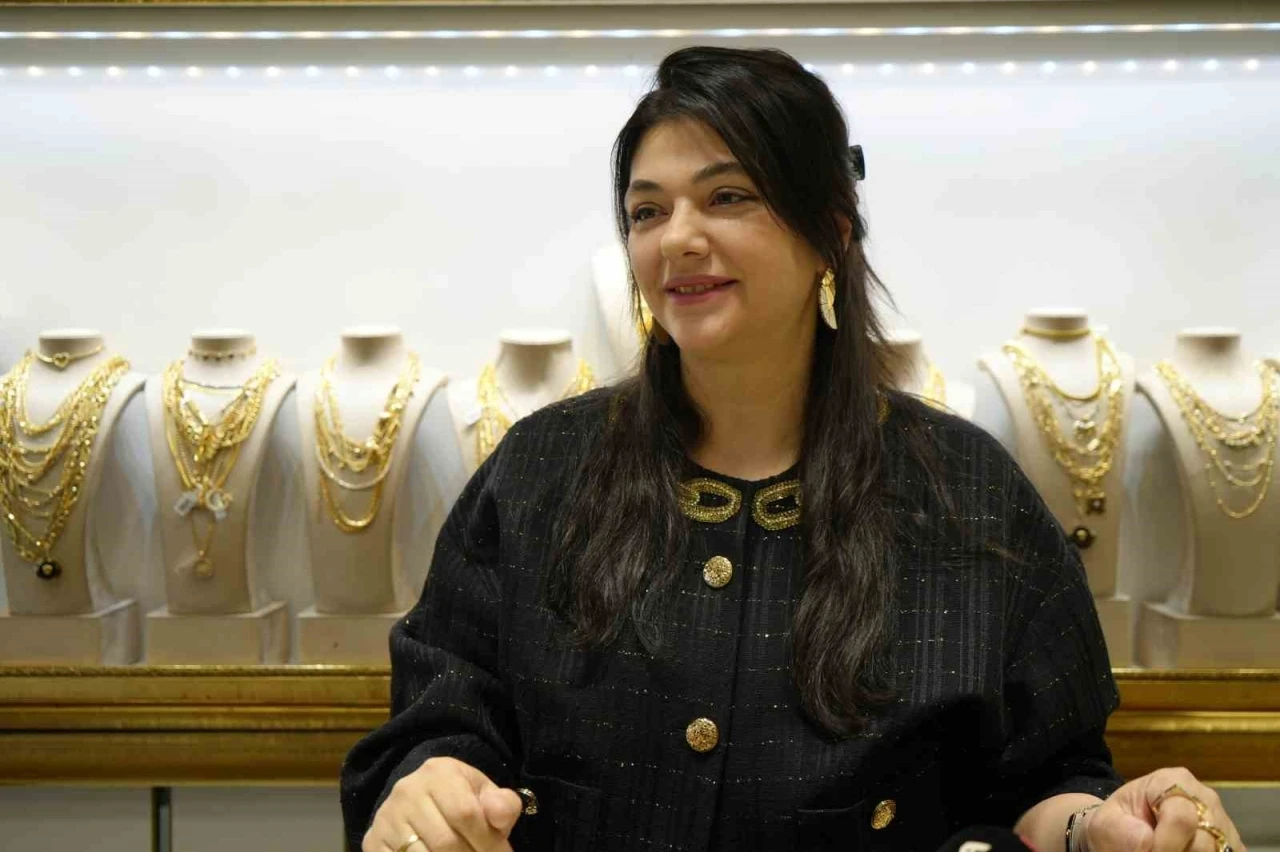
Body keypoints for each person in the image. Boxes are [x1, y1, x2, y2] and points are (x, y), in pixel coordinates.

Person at [341, 46, 1245, 852]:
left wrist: (1101, 826)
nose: (677, 238)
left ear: (832, 231)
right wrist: (428, 782)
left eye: (727, 197)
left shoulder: (968, 492)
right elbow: (438, 724)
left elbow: (1050, 781)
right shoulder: (542, 470)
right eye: (647, 210)